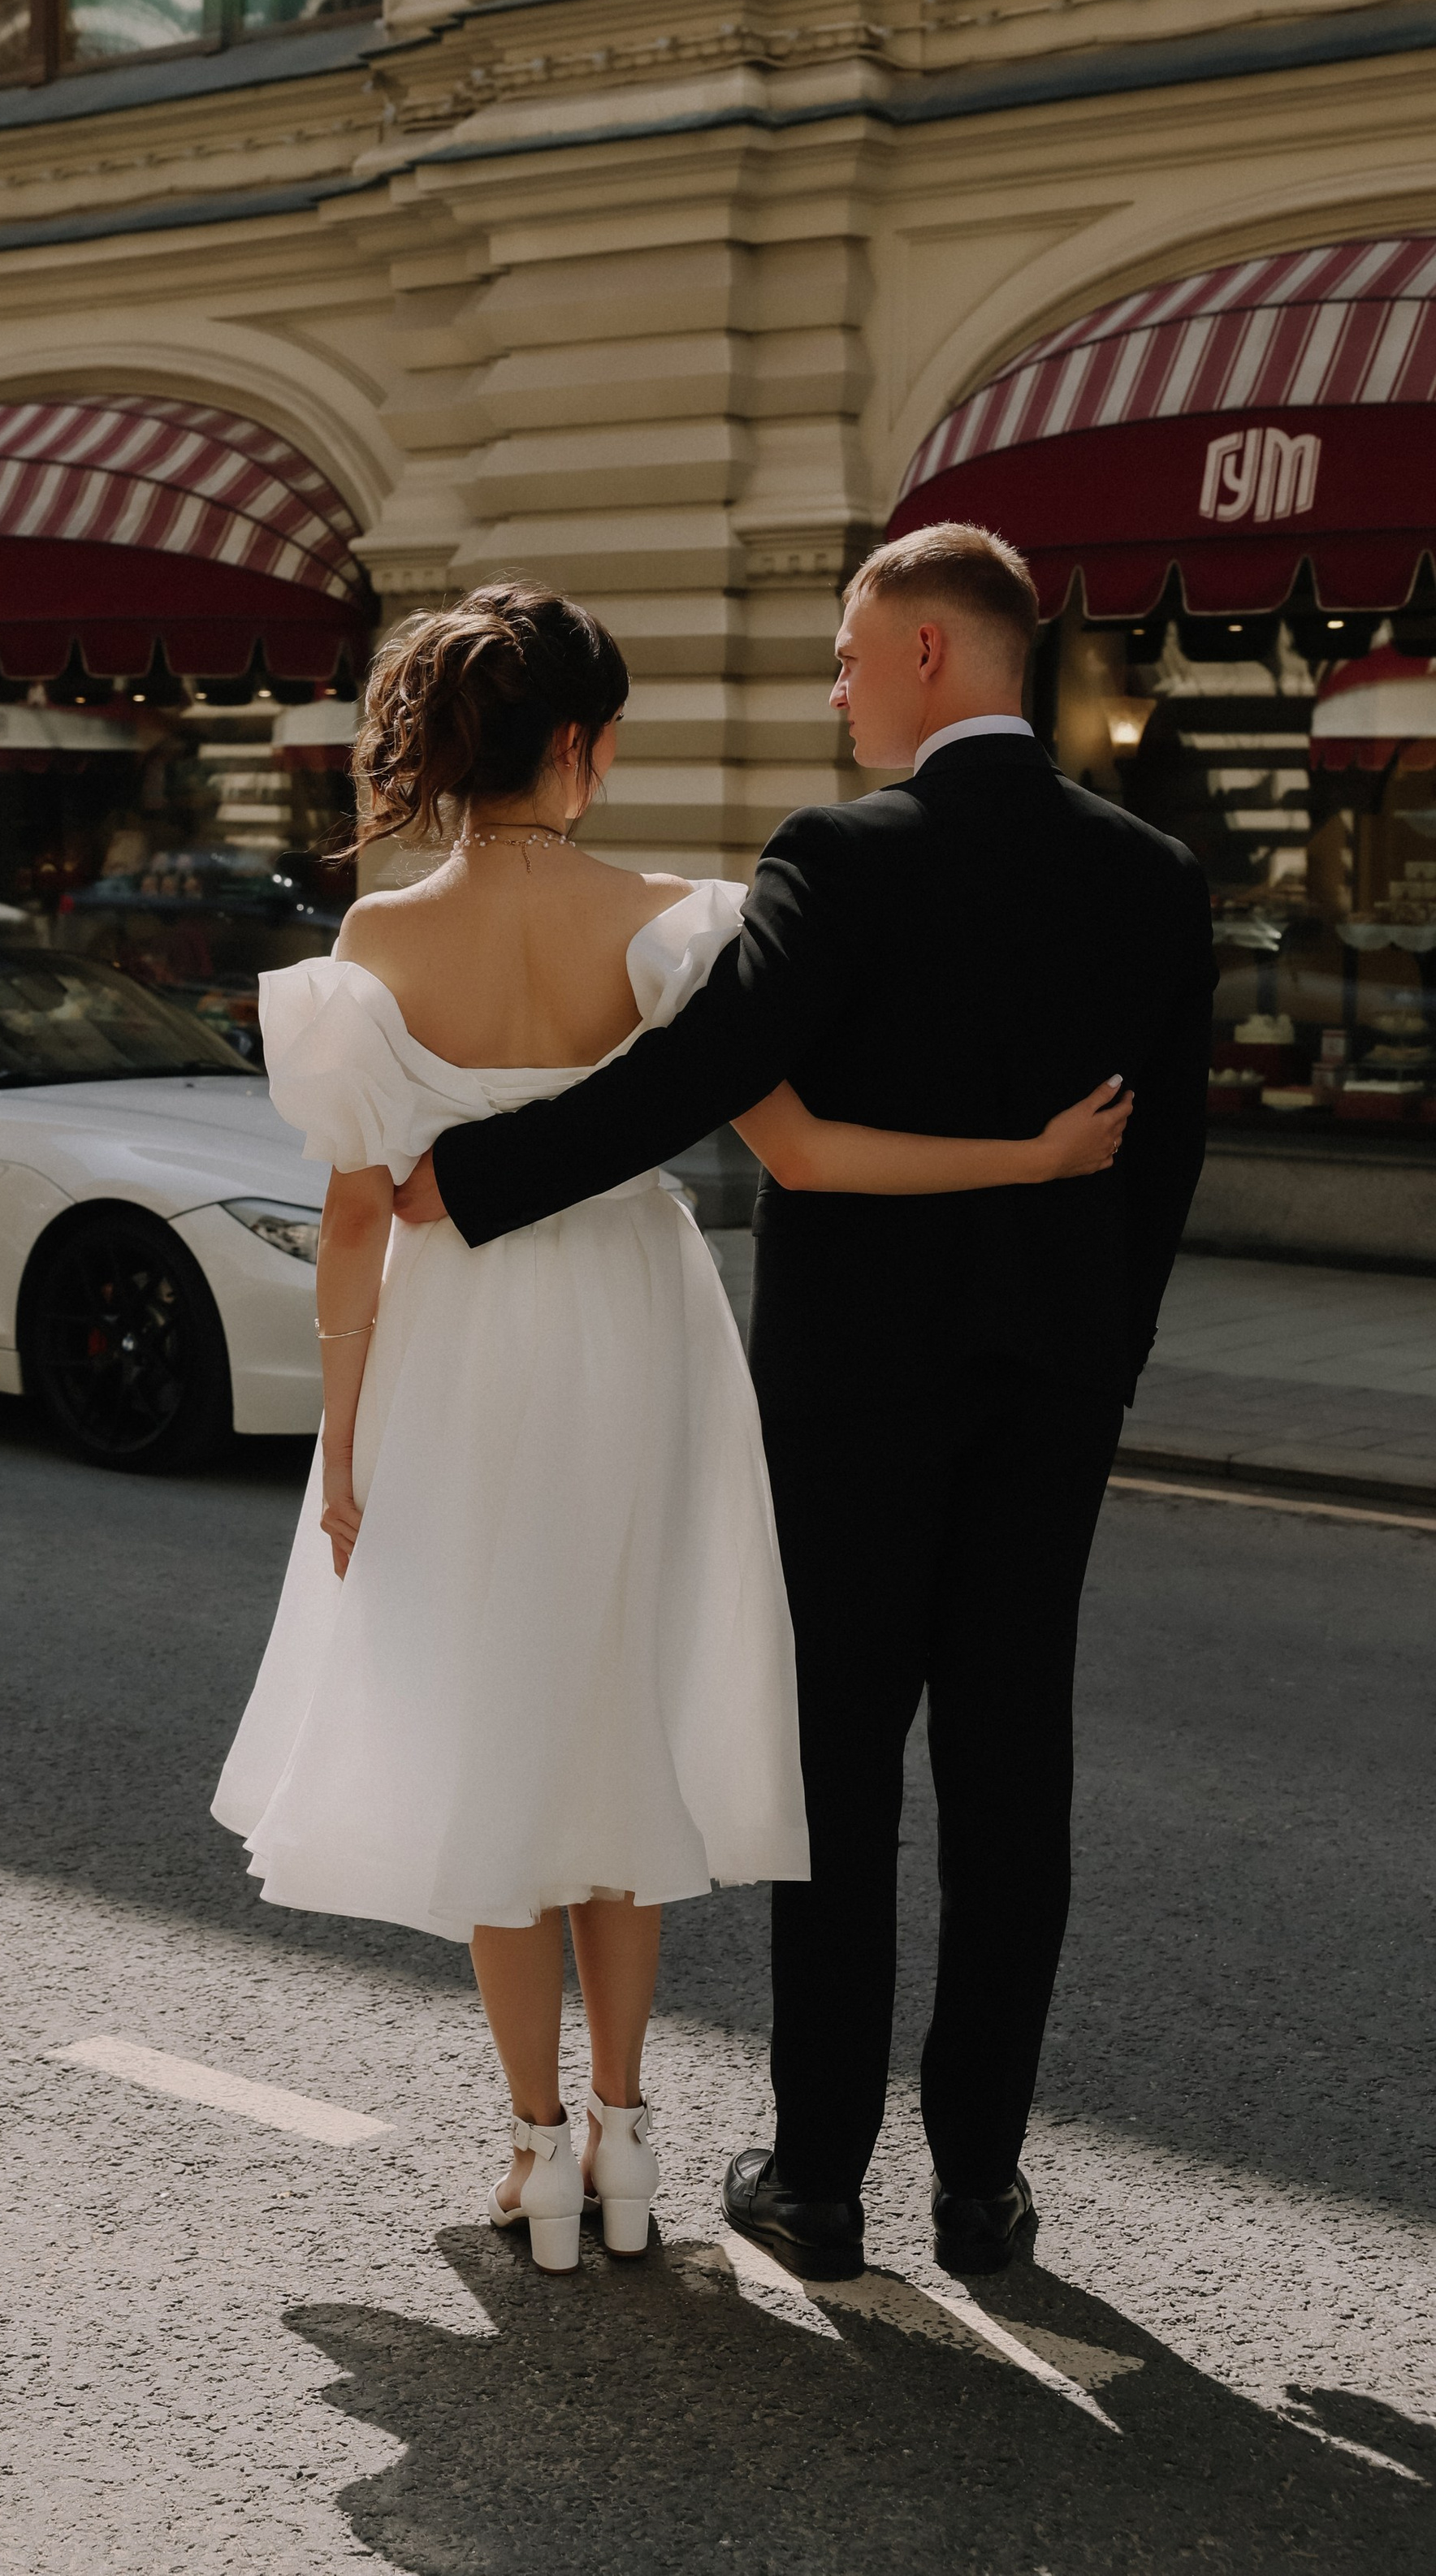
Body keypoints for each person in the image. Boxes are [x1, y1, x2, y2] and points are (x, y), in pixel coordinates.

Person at [214, 578, 1141, 2276]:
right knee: (610, 1721)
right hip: (634, 1337)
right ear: (581, 747)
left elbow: (356, 1223)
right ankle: (632, 2137)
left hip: (457, 1349)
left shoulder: (369, 949)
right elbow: (799, 1153)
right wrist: (1020, 1159)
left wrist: (341, 1445)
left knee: (498, 1730)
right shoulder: (672, 923)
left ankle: (531, 2153)